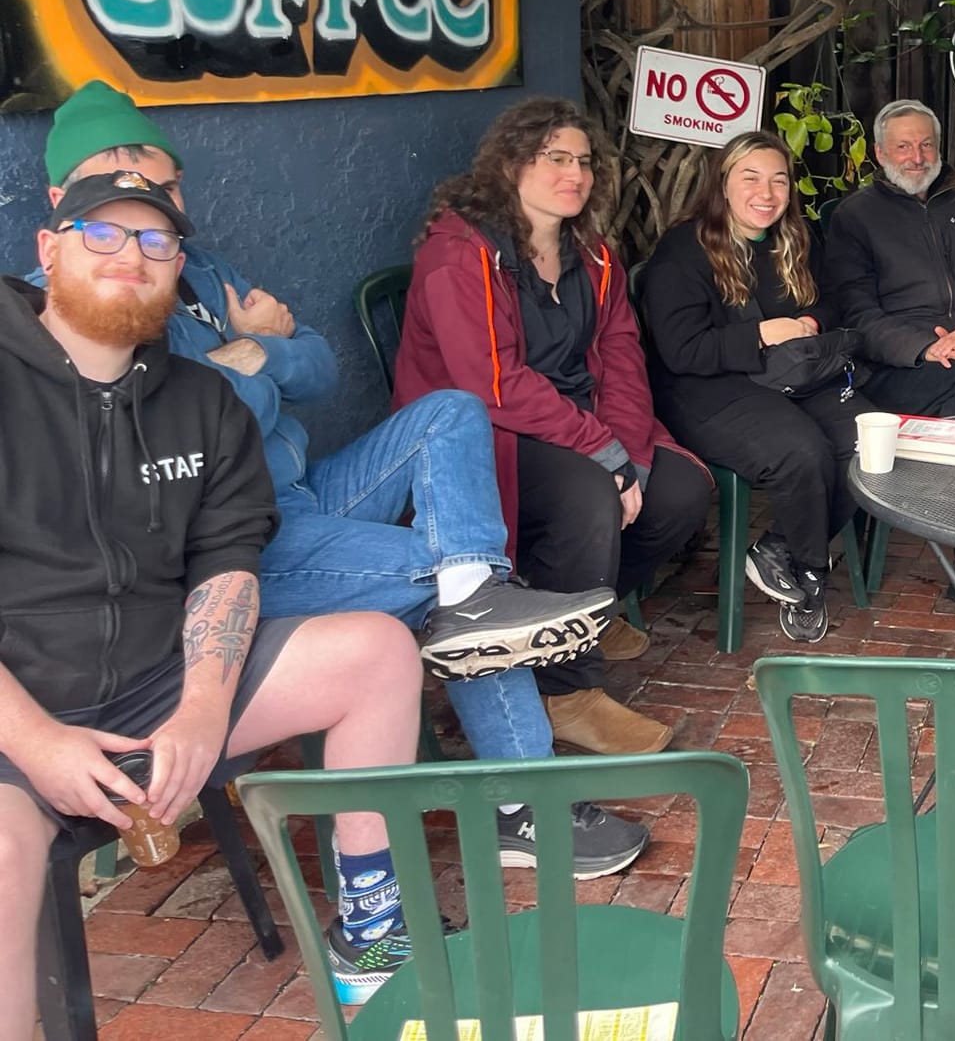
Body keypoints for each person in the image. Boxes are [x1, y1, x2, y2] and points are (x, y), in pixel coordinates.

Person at [35, 83, 648, 879]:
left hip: (304, 486)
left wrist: (262, 356)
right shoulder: (96, 296)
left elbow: (317, 367)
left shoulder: (196, 264)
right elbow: (189, 418)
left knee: (449, 416)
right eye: (115, 193)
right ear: (59, 212)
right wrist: (252, 361)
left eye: (164, 187)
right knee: (449, 589)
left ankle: (476, 587)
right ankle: (519, 804)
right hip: (236, 537)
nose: (143, 212)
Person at [0, 170, 426, 1014]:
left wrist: (201, 706)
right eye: (103, 234)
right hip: (17, 709)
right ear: (49, 251)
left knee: (377, 652)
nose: (133, 255)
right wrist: (40, 742)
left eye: (156, 242)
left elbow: (228, 560)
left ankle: (374, 933)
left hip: (163, 682)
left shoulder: (203, 401)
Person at [396, 97, 711, 757]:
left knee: (679, 491)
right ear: (510, 164)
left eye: (585, 162)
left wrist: (634, 455)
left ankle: (581, 614)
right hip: (488, 436)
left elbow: (623, 354)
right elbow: (492, 384)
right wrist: (605, 454)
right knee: (589, 497)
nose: (576, 174)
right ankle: (567, 692)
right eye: (557, 158)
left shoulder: (592, 256)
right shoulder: (462, 252)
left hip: (577, 424)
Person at [643, 130, 880, 643]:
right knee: (801, 452)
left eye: (778, 180)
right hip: (706, 384)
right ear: (722, 185)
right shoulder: (683, 250)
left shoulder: (795, 238)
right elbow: (681, 350)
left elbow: (831, 301)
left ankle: (779, 549)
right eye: (750, 178)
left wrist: (812, 323)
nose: (766, 193)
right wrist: (762, 334)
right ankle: (812, 574)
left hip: (793, 373)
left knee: (868, 445)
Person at [823, 99, 955, 624]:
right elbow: (853, 312)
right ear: (879, 153)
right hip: (898, 370)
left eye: (926, 144)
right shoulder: (855, 217)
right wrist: (924, 346)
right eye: (903, 145)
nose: (916, 157)